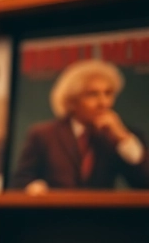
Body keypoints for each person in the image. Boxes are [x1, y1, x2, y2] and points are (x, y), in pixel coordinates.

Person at [12, 59, 149, 191]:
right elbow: (20, 181)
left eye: (108, 93)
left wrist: (123, 138)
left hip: (101, 214)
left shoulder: (121, 136)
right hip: (55, 212)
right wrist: (34, 187)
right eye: (92, 94)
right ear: (72, 100)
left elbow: (144, 182)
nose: (103, 103)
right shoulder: (44, 134)